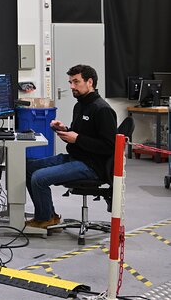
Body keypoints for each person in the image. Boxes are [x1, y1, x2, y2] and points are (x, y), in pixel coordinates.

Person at [25, 64, 117, 229]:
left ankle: (43, 218)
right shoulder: (80, 105)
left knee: (39, 178)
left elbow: (110, 147)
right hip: (76, 157)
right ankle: (48, 215)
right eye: (70, 82)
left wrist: (78, 139)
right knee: (28, 167)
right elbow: (81, 135)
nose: (72, 86)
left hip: (92, 166)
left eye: (76, 82)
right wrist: (65, 130)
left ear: (90, 82)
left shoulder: (102, 110)